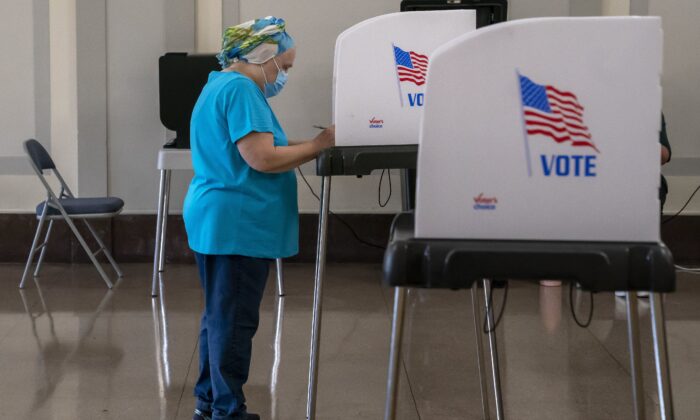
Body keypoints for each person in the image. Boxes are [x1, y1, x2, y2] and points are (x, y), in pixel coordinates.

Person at [183, 17, 335, 420]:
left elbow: (263, 147)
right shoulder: (242, 90)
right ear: (262, 56)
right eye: (282, 67)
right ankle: (229, 412)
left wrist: (319, 145)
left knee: (218, 315)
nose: (283, 75)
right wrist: (318, 146)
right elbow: (262, 157)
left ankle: (209, 402)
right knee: (233, 322)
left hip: (219, 219)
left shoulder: (218, 84)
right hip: (237, 225)